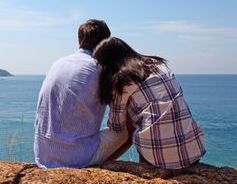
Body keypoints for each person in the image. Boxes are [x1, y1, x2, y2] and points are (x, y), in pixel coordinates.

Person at [93, 37, 206, 169]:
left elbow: (116, 126)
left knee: (134, 126)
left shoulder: (121, 82)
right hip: (193, 150)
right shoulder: (159, 65)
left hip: (157, 159)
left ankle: (100, 165)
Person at [34, 19, 129, 168]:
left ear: (79, 40)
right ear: (106, 43)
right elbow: (118, 121)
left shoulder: (58, 63)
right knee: (130, 127)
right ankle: (97, 166)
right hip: (75, 158)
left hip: (44, 155)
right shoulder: (101, 69)